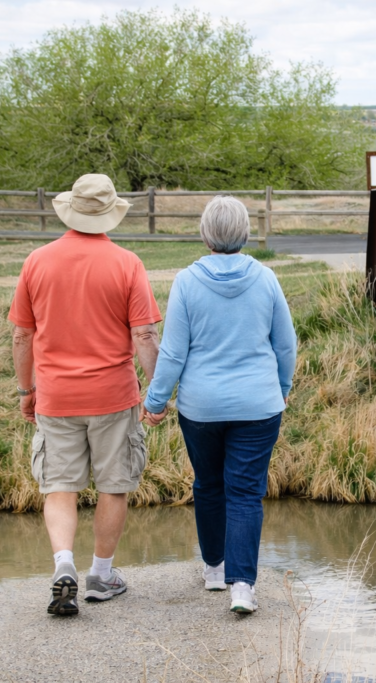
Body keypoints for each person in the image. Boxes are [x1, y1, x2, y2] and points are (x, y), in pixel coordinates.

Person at [9, 173, 162, 616]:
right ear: (110, 213)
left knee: (59, 486)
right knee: (115, 486)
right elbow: (145, 335)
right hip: (113, 396)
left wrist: (27, 389)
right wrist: (157, 390)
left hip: (55, 397)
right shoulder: (127, 263)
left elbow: (22, 335)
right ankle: (101, 574)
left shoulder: (37, 261)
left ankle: (63, 565)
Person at [142, 195, 297, 615]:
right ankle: (242, 586)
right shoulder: (265, 279)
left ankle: (214, 568)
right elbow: (285, 343)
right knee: (245, 492)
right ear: (245, 234)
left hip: (201, 407)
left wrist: (155, 400)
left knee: (208, 484)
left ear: (205, 235)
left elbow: (173, 352)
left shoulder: (187, 282)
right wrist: (282, 386)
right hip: (258, 405)